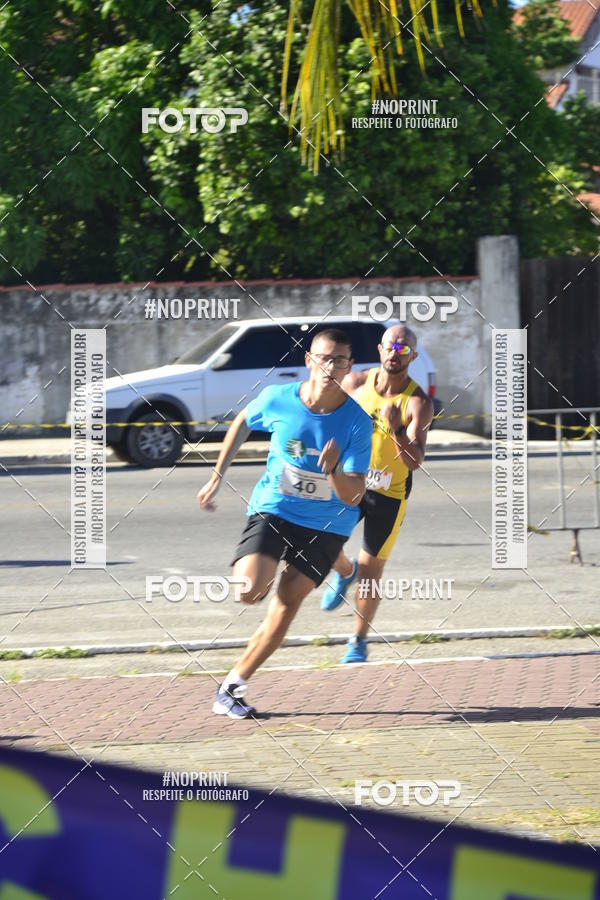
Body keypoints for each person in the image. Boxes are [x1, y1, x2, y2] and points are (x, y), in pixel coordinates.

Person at [197, 328, 373, 719]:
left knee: (286, 604)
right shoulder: (279, 398)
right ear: (309, 360)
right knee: (248, 591)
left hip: (327, 523)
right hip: (276, 508)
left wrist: (333, 471)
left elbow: (354, 495)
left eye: (339, 361)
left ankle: (231, 688)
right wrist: (217, 475)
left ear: (349, 367)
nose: (330, 367)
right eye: (324, 358)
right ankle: (344, 568)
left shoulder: (358, 423)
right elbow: (243, 420)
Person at [320, 325, 433, 663]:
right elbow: (327, 415)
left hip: (389, 495)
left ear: (412, 356)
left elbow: (415, 461)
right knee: (320, 541)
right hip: (352, 481)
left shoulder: (418, 402)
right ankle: (345, 571)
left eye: (403, 349)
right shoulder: (356, 383)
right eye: (390, 347)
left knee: (371, 574)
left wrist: (397, 429)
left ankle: (357, 640)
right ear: (380, 350)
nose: (395, 354)